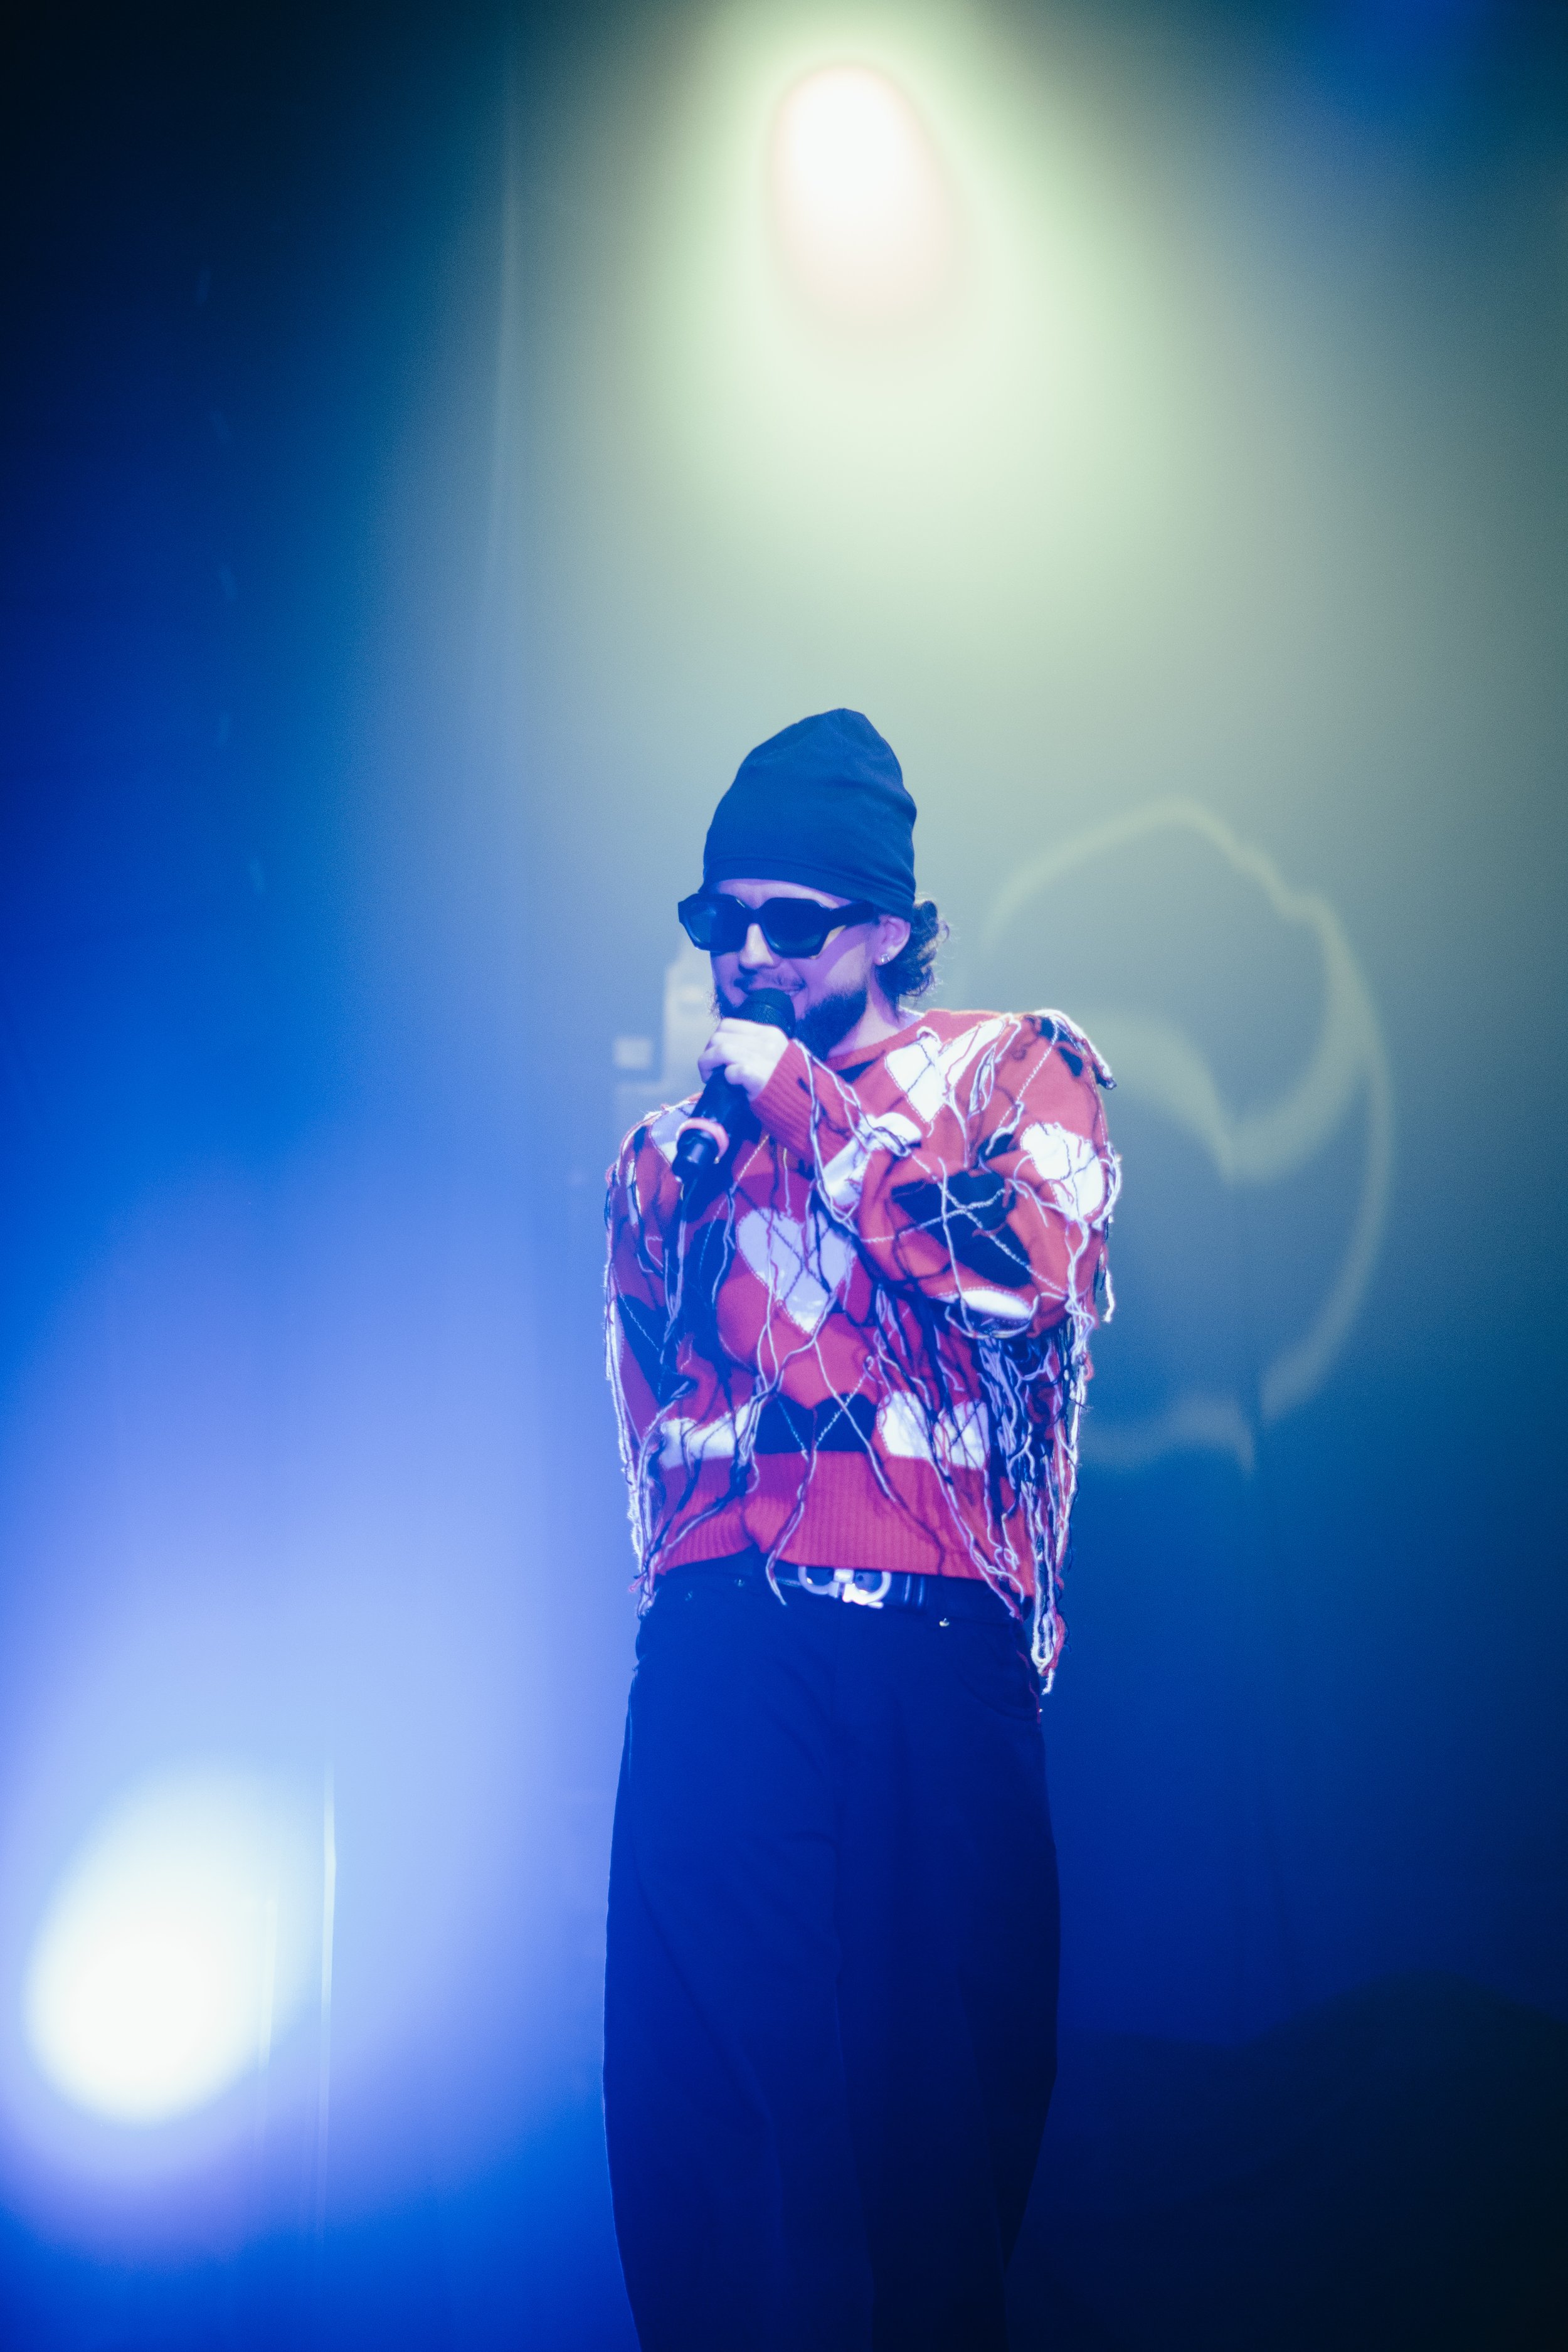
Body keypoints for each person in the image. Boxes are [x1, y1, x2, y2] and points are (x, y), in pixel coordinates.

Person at [601, 709, 1118, 2352]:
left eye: (790, 922)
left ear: (887, 925)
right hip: (714, 1653)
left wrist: (809, 1113)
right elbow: (647, 1420)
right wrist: (697, 1164)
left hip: (926, 1648)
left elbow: (1019, 1272)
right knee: (706, 2130)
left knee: (937, 2125)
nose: (746, 955)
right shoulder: (667, 1149)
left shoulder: (1013, 1064)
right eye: (717, 922)